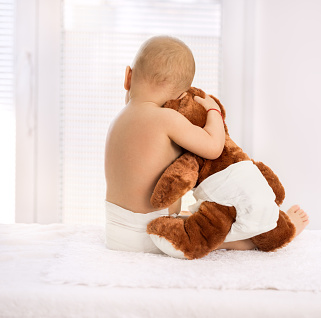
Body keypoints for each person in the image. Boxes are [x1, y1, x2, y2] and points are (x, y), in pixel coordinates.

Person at [104, 35, 308, 254]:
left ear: (128, 77)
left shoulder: (117, 121)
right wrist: (213, 111)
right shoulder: (166, 118)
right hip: (152, 235)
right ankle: (269, 237)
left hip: (114, 234)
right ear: (182, 97)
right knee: (210, 235)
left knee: (189, 217)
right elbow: (213, 148)